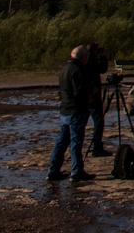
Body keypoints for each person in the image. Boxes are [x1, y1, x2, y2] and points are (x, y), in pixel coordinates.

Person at [47, 45, 94, 182]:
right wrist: (91, 93)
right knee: (75, 142)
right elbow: (79, 92)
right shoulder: (77, 69)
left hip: (65, 110)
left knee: (61, 142)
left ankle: (53, 170)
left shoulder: (65, 68)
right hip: (75, 110)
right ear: (83, 57)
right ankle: (77, 171)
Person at [85, 44, 112, 158]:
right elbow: (102, 69)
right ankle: (97, 147)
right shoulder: (91, 61)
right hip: (92, 96)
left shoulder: (85, 60)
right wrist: (104, 57)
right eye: (97, 50)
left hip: (86, 96)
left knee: (83, 121)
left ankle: (91, 146)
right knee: (98, 121)